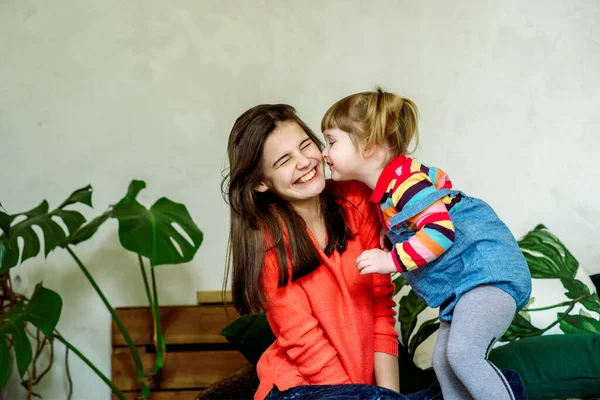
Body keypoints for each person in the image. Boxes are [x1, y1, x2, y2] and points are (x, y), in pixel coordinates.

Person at [320, 87, 532, 400]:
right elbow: (424, 210)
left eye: (331, 141)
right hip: (467, 286)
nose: (324, 153)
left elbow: (440, 232)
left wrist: (389, 260)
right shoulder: (391, 188)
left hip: (489, 277)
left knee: (462, 354)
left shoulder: (406, 182)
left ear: (370, 146)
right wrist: (389, 233)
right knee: (443, 362)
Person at [222, 103, 422, 400]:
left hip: (364, 393)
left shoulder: (357, 199)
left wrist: (390, 396)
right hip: (299, 389)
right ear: (261, 182)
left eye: (306, 146)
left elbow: (381, 310)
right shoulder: (268, 240)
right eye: (284, 161)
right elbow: (306, 344)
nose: (304, 162)